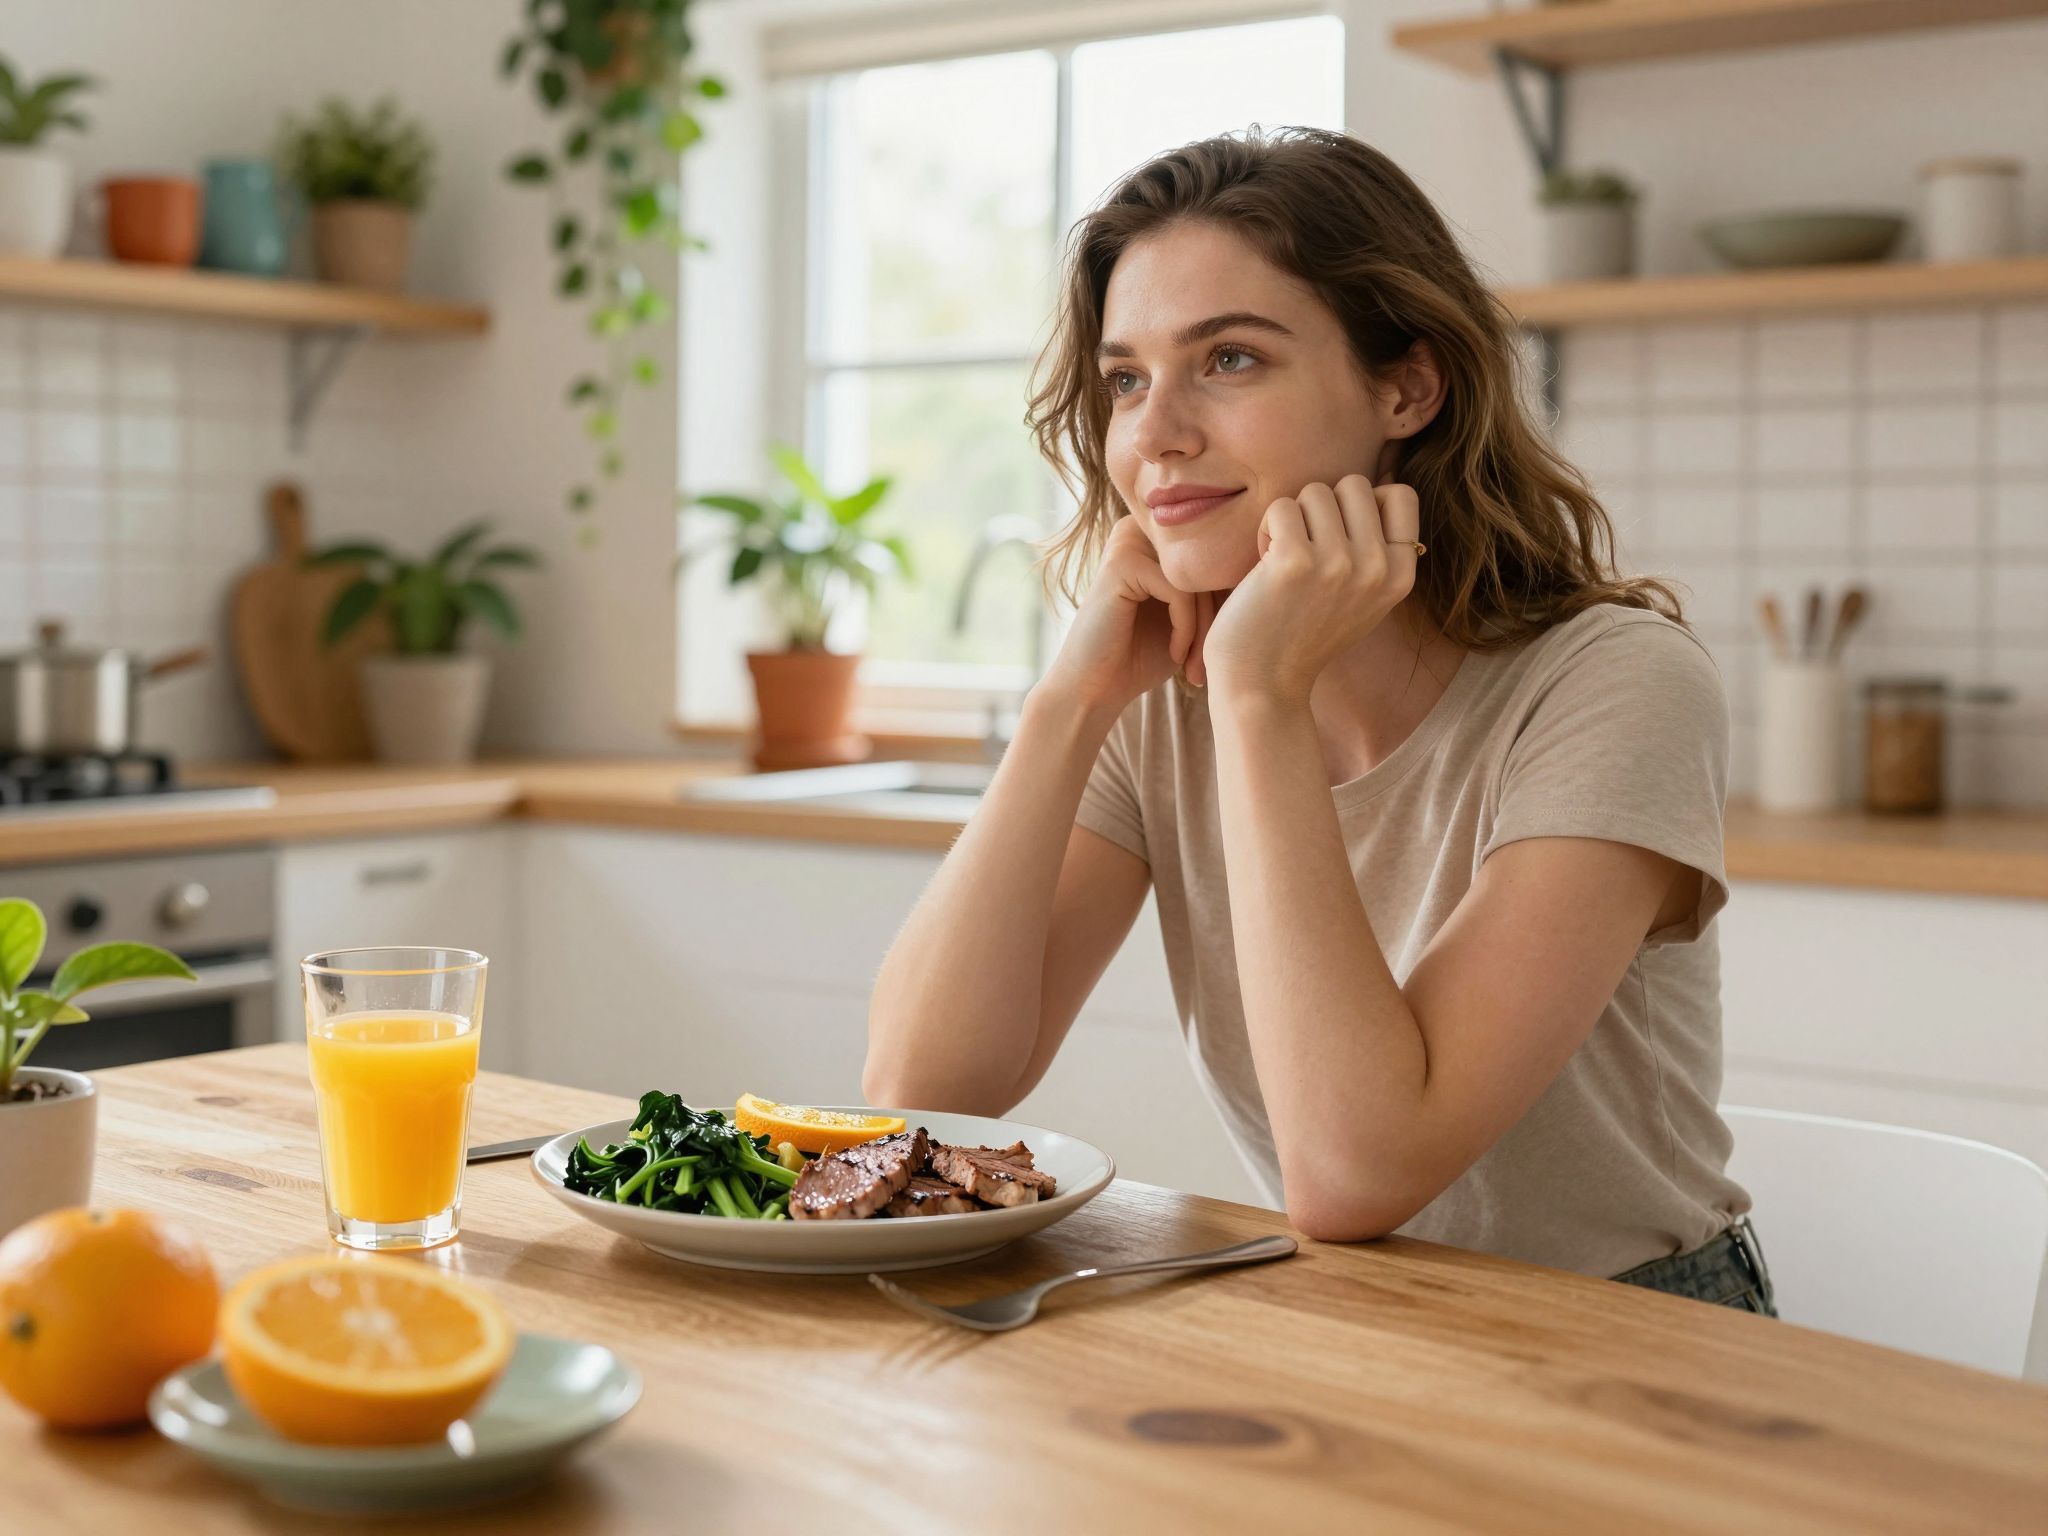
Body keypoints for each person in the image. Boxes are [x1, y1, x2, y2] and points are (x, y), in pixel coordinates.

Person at [863, 128, 1772, 1313]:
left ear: (1405, 386)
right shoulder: (1161, 694)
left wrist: (1258, 695)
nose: (1154, 435)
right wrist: (1064, 705)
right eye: (1125, 378)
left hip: (1636, 1333)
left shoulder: (1612, 685)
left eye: (1229, 359)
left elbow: (1355, 1173)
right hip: (1355, 1318)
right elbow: (919, 1092)